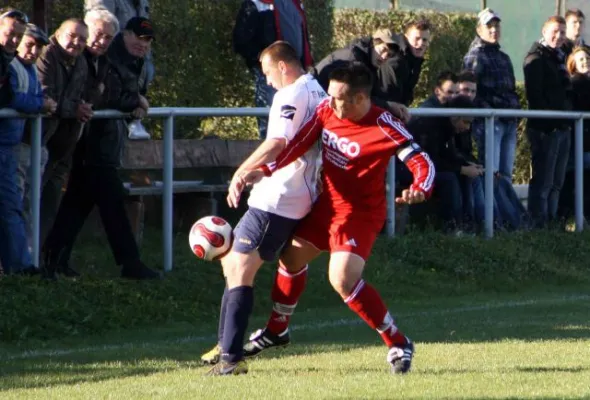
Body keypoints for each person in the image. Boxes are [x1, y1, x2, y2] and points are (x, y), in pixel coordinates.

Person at [223, 63, 435, 375]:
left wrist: (420, 188)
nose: (330, 102)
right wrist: (265, 170)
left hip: (359, 215)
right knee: (291, 258)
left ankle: (398, 342)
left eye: (338, 98)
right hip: (327, 207)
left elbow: (422, 162)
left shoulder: (385, 125)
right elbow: (297, 144)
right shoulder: (326, 110)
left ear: (361, 99)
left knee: (342, 279)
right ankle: (277, 330)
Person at [201, 40, 326, 374]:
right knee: (235, 265)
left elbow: (277, 142)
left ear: (282, 66)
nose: (268, 81)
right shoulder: (317, 90)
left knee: (239, 267)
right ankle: (228, 342)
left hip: (277, 199)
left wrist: (241, 172)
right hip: (296, 197)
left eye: (269, 73)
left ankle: (230, 358)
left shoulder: (290, 95)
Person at [43, 10, 160, 280]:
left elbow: (114, 94)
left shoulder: (125, 61)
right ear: (126, 36)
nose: (102, 41)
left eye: (147, 40)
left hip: (97, 144)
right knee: (112, 203)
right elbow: (108, 97)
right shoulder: (103, 58)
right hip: (88, 144)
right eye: (137, 37)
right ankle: (130, 263)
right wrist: (136, 102)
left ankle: (55, 257)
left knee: (77, 203)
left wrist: (137, 100)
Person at [37, 18, 90, 251]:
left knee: (48, 207)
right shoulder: (46, 55)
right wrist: (74, 109)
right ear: (58, 34)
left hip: (63, 149)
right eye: (72, 36)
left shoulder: (81, 62)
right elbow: (46, 98)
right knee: (27, 204)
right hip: (41, 142)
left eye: (82, 39)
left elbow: (85, 96)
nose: (77, 43)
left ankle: (37, 260)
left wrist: (86, 107)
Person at [233, 0, 313, 139]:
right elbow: (241, 40)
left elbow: (303, 36)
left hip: (296, 72)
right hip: (270, 73)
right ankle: (270, 154)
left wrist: (307, 63)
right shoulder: (257, 3)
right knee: (272, 118)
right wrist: (263, 61)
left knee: (299, 117)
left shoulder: (295, 4)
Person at [10, 23, 56, 250]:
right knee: (12, 203)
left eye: (39, 47)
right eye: (30, 44)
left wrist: (41, 103)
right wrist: (41, 105)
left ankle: (25, 256)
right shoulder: (11, 66)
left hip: (29, 143)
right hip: (13, 145)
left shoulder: (30, 70)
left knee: (26, 204)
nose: (34, 51)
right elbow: (14, 99)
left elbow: (38, 97)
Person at [524, 16, 572, 229]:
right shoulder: (535, 58)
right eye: (555, 31)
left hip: (562, 127)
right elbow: (535, 95)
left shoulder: (560, 58)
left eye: (562, 32)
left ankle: (551, 223)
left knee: (556, 182)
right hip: (546, 129)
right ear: (544, 32)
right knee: (543, 181)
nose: (558, 36)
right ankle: (538, 224)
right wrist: (552, 120)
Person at [463, 8, 520, 183]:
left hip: (509, 122)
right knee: (491, 173)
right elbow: (470, 93)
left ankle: (503, 210)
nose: (494, 30)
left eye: (496, 25)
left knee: (505, 174)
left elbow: (511, 89)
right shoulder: (475, 56)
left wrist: (515, 111)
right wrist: (491, 112)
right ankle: (490, 210)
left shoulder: (504, 57)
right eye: (489, 26)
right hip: (490, 123)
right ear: (479, 30)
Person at [0, 8, 36, 275]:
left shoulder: (13, 62)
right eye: (10, 33)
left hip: (7, 145)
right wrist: (38, 105)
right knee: (10, 206)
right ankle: (18, 266)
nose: (14, 40)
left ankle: (18, 266)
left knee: (11, 205)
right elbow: (9, 99)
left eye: (18, 36)